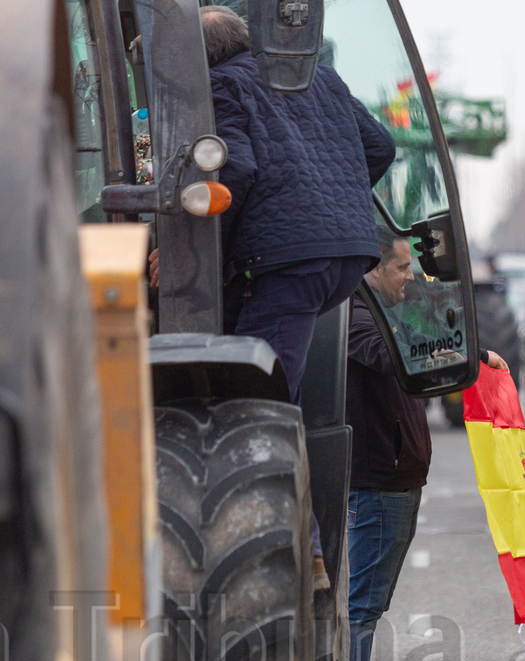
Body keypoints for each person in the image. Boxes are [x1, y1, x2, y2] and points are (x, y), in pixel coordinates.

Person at [152, 6, 396, 407]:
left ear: (196, 57)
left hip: (291, 265)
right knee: (257, 365)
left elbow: (236, 170)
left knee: (262, 395)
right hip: (348, 256)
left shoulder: (220, 85)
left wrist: (184, 252)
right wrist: (329, 201)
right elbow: (380, 147)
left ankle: (270, 462)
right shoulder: (319, 76)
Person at [345, 227, 506, 661]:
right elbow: (392, 354)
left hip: (396, 483)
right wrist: (458, 356)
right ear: (373, 269)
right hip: (377, 485)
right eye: (401, 269)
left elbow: (419, 343)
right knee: (360, 609)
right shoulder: (356, 316)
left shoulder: (382, 312)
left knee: (368, 605)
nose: (410, 278)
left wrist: (473, 356)